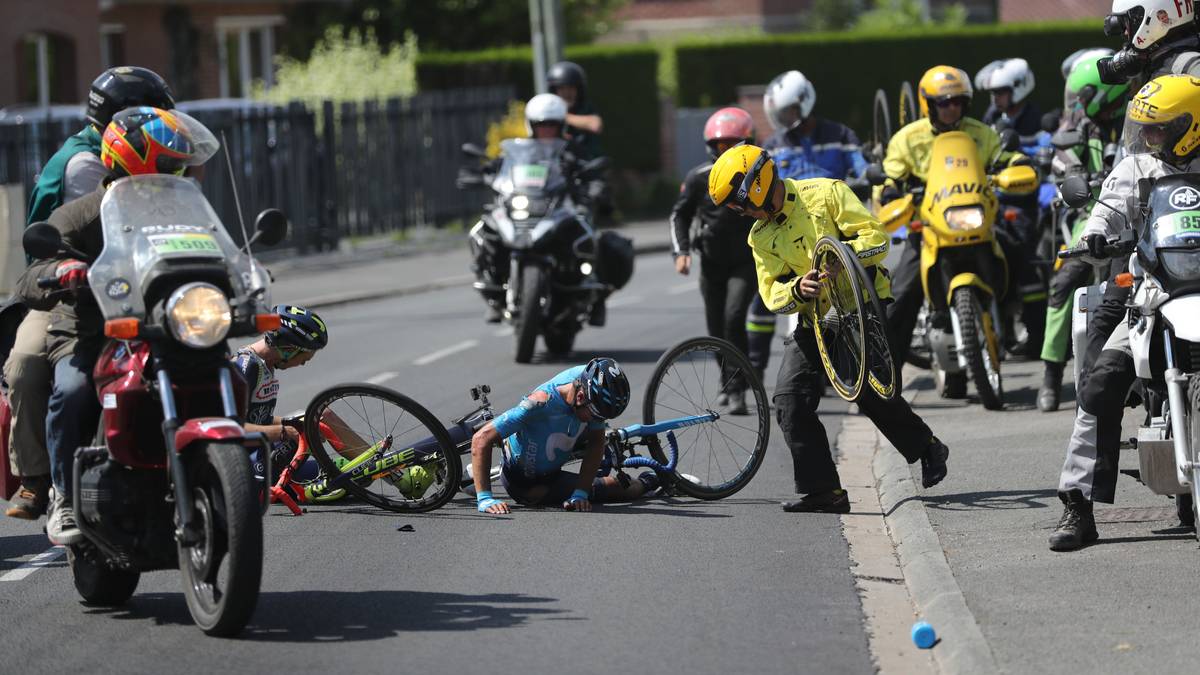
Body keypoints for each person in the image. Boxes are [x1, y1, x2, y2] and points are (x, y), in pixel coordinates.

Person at [708, 143, 950, 512]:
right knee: (789, 398)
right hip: (816, 319)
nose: (738, 212)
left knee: (865, 390)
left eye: (736, 203)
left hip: (861, 304)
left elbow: (877, 239)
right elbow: (772, 292)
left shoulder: (825, 193)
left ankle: (926, 447)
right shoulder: (759, 236)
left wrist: (843, 256)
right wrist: (796, 288)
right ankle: (825, 492)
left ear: (753, 186)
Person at [18, 106, 211, 545]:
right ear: (131, 160)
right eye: (168, 163)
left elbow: (219, 253)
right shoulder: (84, 213)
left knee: (227, 370)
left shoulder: (184, 212)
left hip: (168, 327)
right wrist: (62, 271)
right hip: (94, 332)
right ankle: (65, 497)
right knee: (71, 391)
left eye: (179, 163)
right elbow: (31, 274)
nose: (177, 171)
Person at [4, 67, 175, 521]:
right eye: (151, 117)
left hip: (136, 292)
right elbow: (103, 235)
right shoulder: (89, 166)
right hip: (71, 292)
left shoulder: (164, 180)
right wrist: (66, 270)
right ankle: (43, 484)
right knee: (31, 368)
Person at [1049, 75, 1200, 551]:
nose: (1148, 137)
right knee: (1100, 384)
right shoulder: (1136, 166)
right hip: (1154, 292)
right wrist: (1094, 235)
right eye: (1147, 128)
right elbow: (1108, 208)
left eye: (1158, 128)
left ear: (1189, 126)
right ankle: (1079, 504)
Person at [878, 65, 1028, 368]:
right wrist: (890, 192)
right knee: (902, 293)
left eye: (958, 101)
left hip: (977, 220)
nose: (952, 108)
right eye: (944, 103)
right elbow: (888, 177)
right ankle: (886, 374)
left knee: (1022, 258)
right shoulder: (907, 139)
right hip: (929, 226)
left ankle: (1022, 331)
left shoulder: (981, 133)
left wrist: (1020, 163)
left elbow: (1006, 157)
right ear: (928, 104)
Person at [755, 70, 872, 379]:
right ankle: (763, 365)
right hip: (791, 232)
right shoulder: (773, 146)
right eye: (778, 113)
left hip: (835, 221)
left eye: (787, 111)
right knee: (764, 297)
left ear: (804, 104)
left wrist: (868, 173)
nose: (782, 118)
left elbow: (860, 167)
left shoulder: (840, 134)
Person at [1037, 52, 1129, 413]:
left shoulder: (1136, 117)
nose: (1077, 104)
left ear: (1104, 93)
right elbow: (1060, 151)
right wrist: (1073, 169)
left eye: (1083, 97)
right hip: (1093, 211)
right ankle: (1050, 373)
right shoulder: (1080, 124)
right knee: (1064, 281)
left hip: (1136, 211)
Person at [470, 358, 656, 514]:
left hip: (556, 455)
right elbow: (480, 440)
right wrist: (485, 499)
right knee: (624, 489)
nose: (599, 421)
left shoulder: (588, 382)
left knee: (623, 485)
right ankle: (651, 480)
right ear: (581, 397)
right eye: (597, 415)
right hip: (524, 483)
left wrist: (581, 493)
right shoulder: (538, 404)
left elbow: (596, 443)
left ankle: (662, 478)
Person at [670, 107, 758, 413]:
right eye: (721, 146)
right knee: (716, 328)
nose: (726, 152)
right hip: (711, 263)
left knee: (734, 319)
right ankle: (728, 378)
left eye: (733, 145)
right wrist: (681, 251)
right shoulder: (698, 178)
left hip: (746, 262)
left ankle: (737, 390)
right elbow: (679, 214)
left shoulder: (758, 174)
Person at [235, 305, 329, 487]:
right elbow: (231, 428)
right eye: (304, 358)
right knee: (341, 478)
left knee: (320, 416)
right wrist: (285, 431)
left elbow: (259, 419)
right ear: (289, 348)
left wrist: (295, 423)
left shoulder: (265, 365)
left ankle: (380, 465)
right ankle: (384, 471)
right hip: (251, 467)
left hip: (266, 451)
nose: (303, 364)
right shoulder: (246, 367)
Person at [546, 61, 603, 160]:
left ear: (579, 90)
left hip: (583, 166)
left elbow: (595, 125)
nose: (567, 93)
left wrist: (560, 115)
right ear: (554, 91)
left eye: (571, 88)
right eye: (562, 88)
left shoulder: (585, 108)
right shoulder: (545, 113)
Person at [976, 58, 1043, 138]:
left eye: (1000, 92)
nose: (995, 98)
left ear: (1019, 88)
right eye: (993, 92)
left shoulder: (1034, 119)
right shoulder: (992, 114)